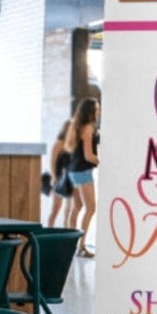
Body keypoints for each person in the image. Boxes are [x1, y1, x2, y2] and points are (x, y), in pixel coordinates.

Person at [65, 97, 100, 257]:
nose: (98, 112)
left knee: (77, 208)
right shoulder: (88, 128)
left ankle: (70, 245)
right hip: (83, 171)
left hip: (73, 170)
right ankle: (82, 246)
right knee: (91, 208)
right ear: (90, 111)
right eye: (97, 109)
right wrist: (103, 161)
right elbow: (89, 155)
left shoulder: (77, 126)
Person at [47, 120, 76, 228]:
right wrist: (53, 176)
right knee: (56, 208)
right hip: (59, 178)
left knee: (69, 209)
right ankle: (49, 231)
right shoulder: (59, 144)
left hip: (71, 179)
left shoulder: (73, 144)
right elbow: (52, 161)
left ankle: (66, 230)